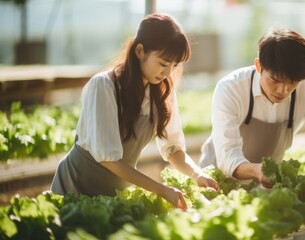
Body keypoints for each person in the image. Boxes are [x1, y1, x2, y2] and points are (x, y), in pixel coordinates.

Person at [51, 13, 219, 210]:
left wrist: (197, 174)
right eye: (163, 64)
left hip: (115, 191)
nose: (167, 73)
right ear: (140, 51)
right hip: (76, 184)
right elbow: (108, 158)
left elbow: (173, 148)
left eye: (174, 66)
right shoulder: (104, 86)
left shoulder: (162, 91)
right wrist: (162, 190)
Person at [199, 28, 305, 188]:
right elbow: (227, 155)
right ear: (258, 66)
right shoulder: (230, 88)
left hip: (266, 181)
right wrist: (257, 171)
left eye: (292, 82)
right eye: (275, 80)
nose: (283, 90)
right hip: (217, 178)